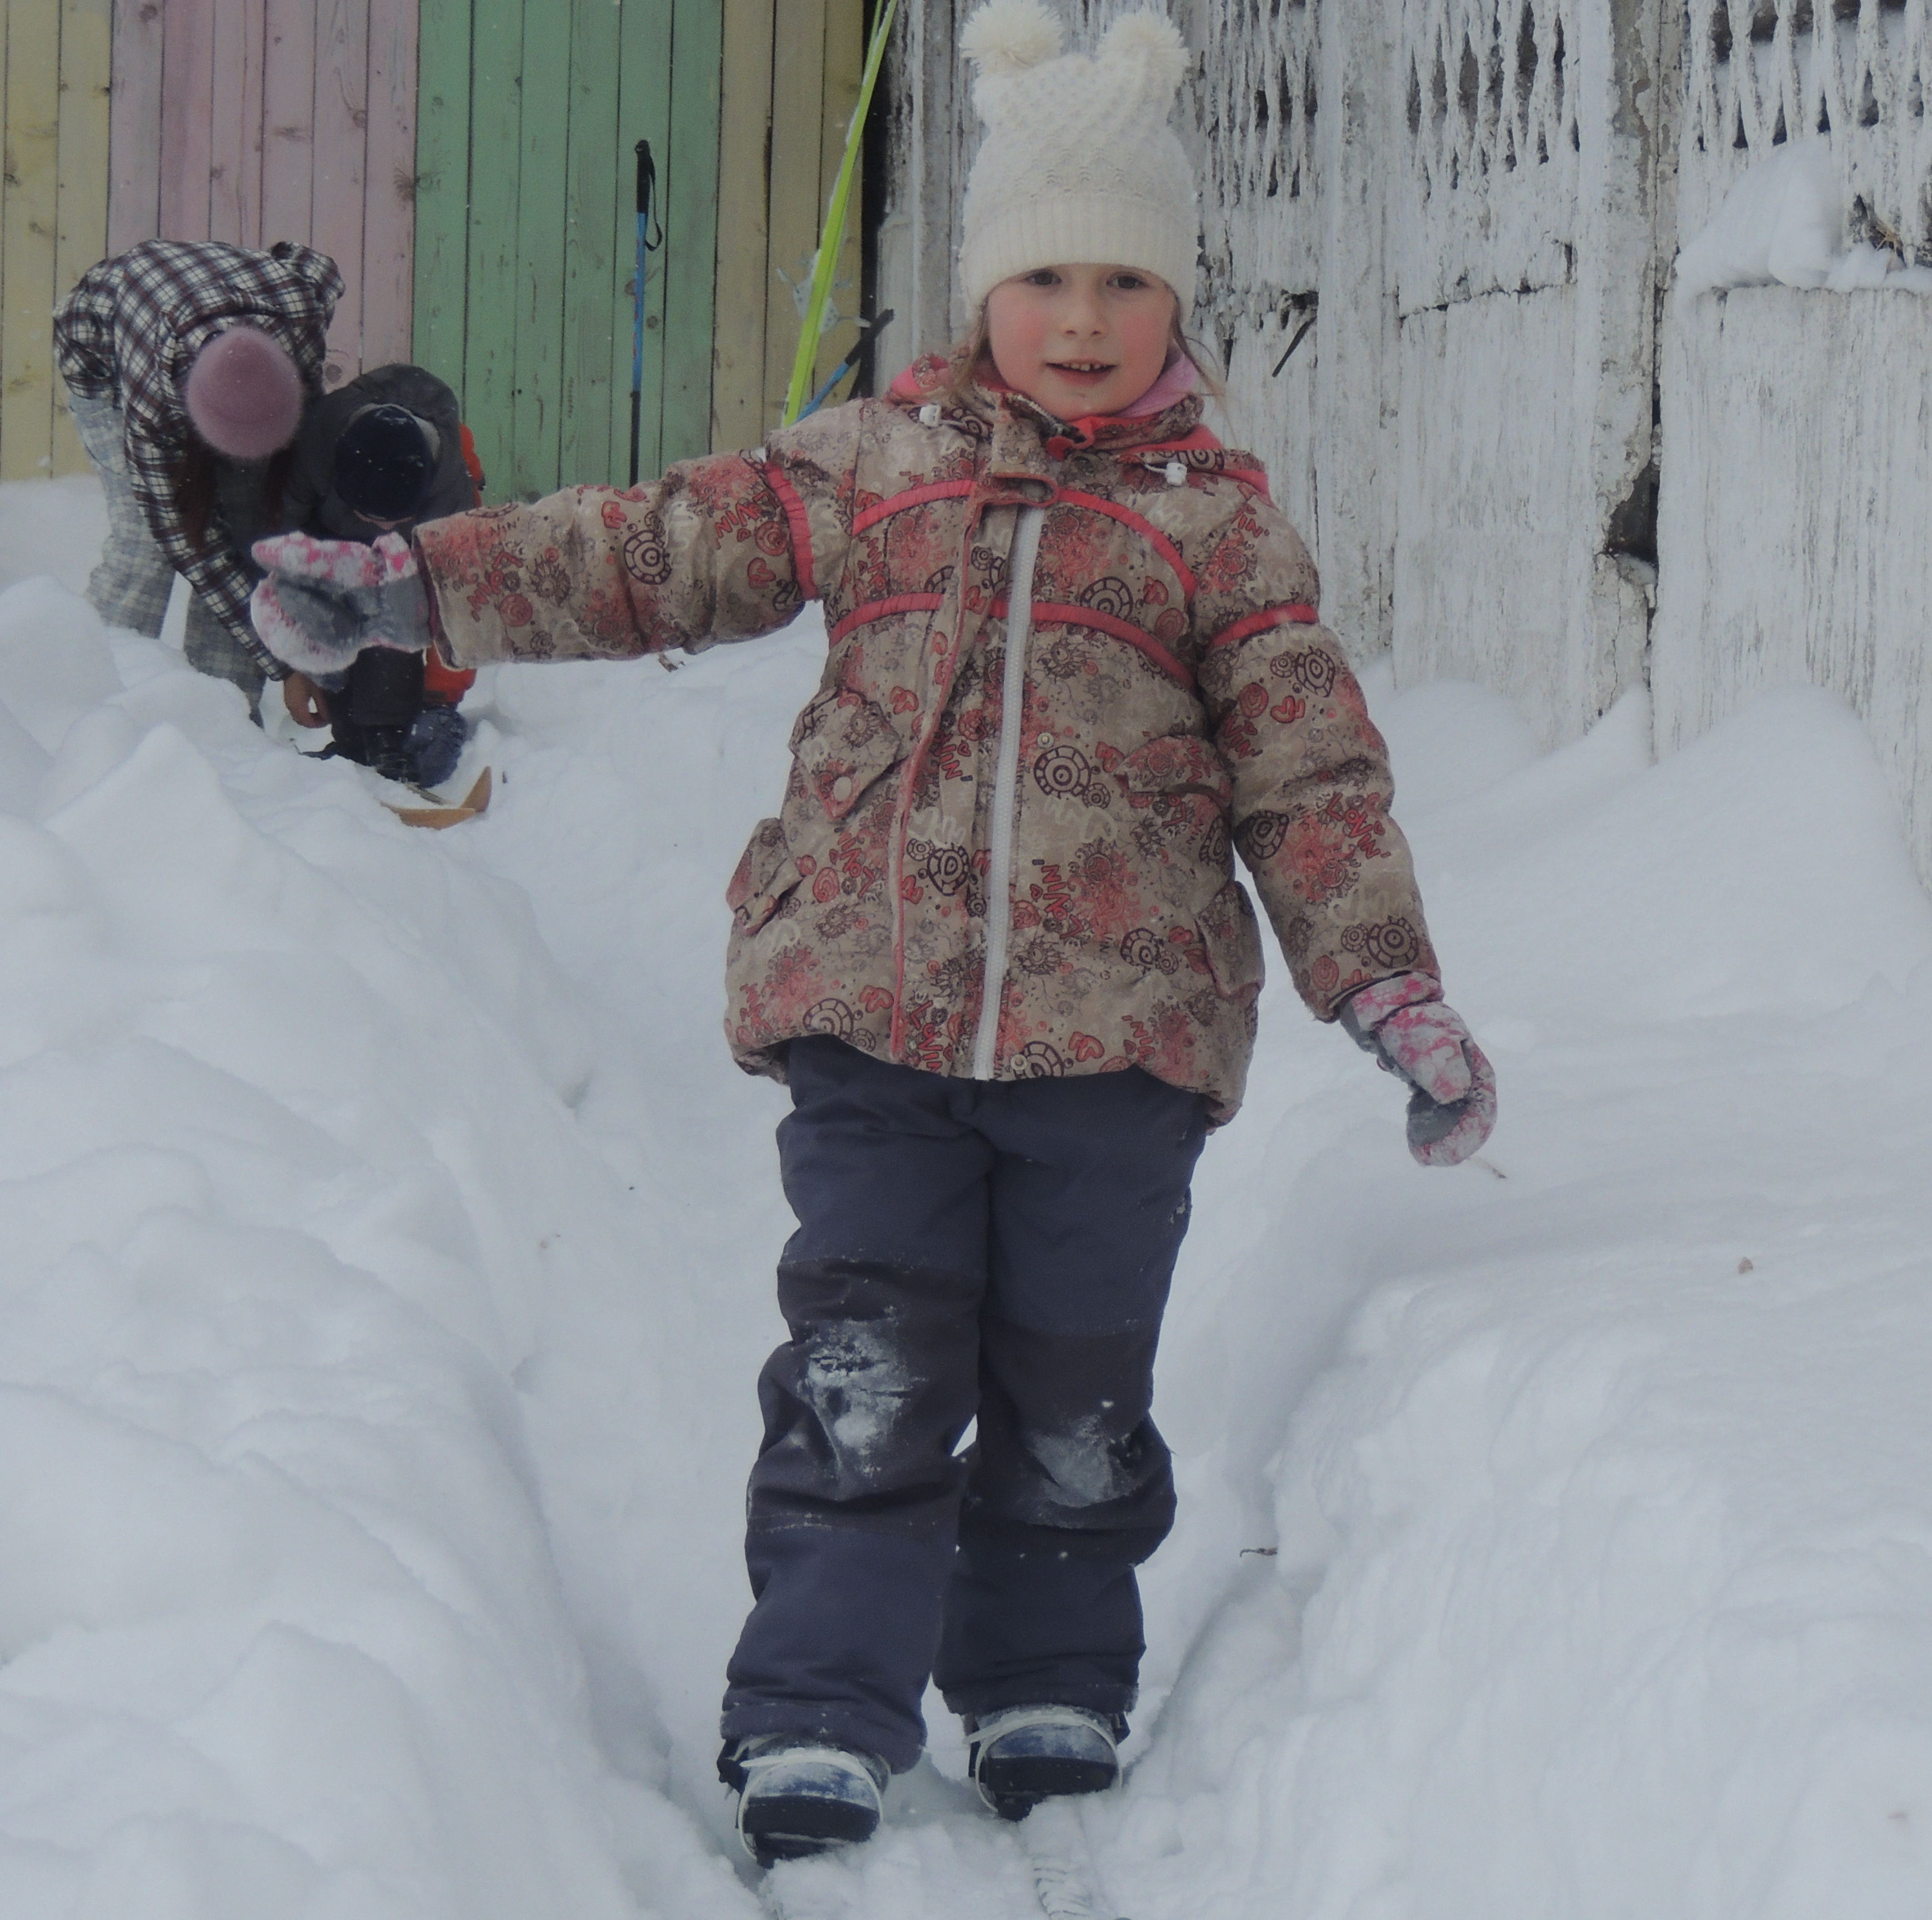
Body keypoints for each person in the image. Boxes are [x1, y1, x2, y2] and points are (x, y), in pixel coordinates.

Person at [248, 0, 1496, 1866]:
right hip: (872, 1020)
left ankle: (1045, 1679)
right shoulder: (877, 462)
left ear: (1178, 297)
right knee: (863, 1379)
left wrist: (1385, 983)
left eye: (1125, 279)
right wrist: (413, 585)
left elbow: (1311, 779)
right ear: (985, 287)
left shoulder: (1219, 532)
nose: (1083, 317)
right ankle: (817, 1712)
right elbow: (650, 549)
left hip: (1120, 1048)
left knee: (1075, 1389)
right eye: (1046, 276)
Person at [52, 239, 342, 717]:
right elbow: (192, 546)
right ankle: (90, 711)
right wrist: (283, 661)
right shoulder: (153, 406)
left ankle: (222, 722)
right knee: (145, 550)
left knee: (250, 538)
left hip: (212, 298)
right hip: (106, 356)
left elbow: (317, 267)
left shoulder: (300, 314)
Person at [277, 367, 483, 787]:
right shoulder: (316, 452)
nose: (384, 530)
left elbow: (461, 605)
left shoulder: (454, 500)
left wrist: (439, 700)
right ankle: (353, 740)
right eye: (371, 517)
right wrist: (295, 667)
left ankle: (388, 735)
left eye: (396, 520)